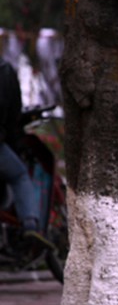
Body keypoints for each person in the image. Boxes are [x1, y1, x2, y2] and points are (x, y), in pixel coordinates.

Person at [0, 57, 52, 252]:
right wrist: (16, 144)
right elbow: (13, 115)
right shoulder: (5, 70)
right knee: (20, 175)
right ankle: (30, 224)